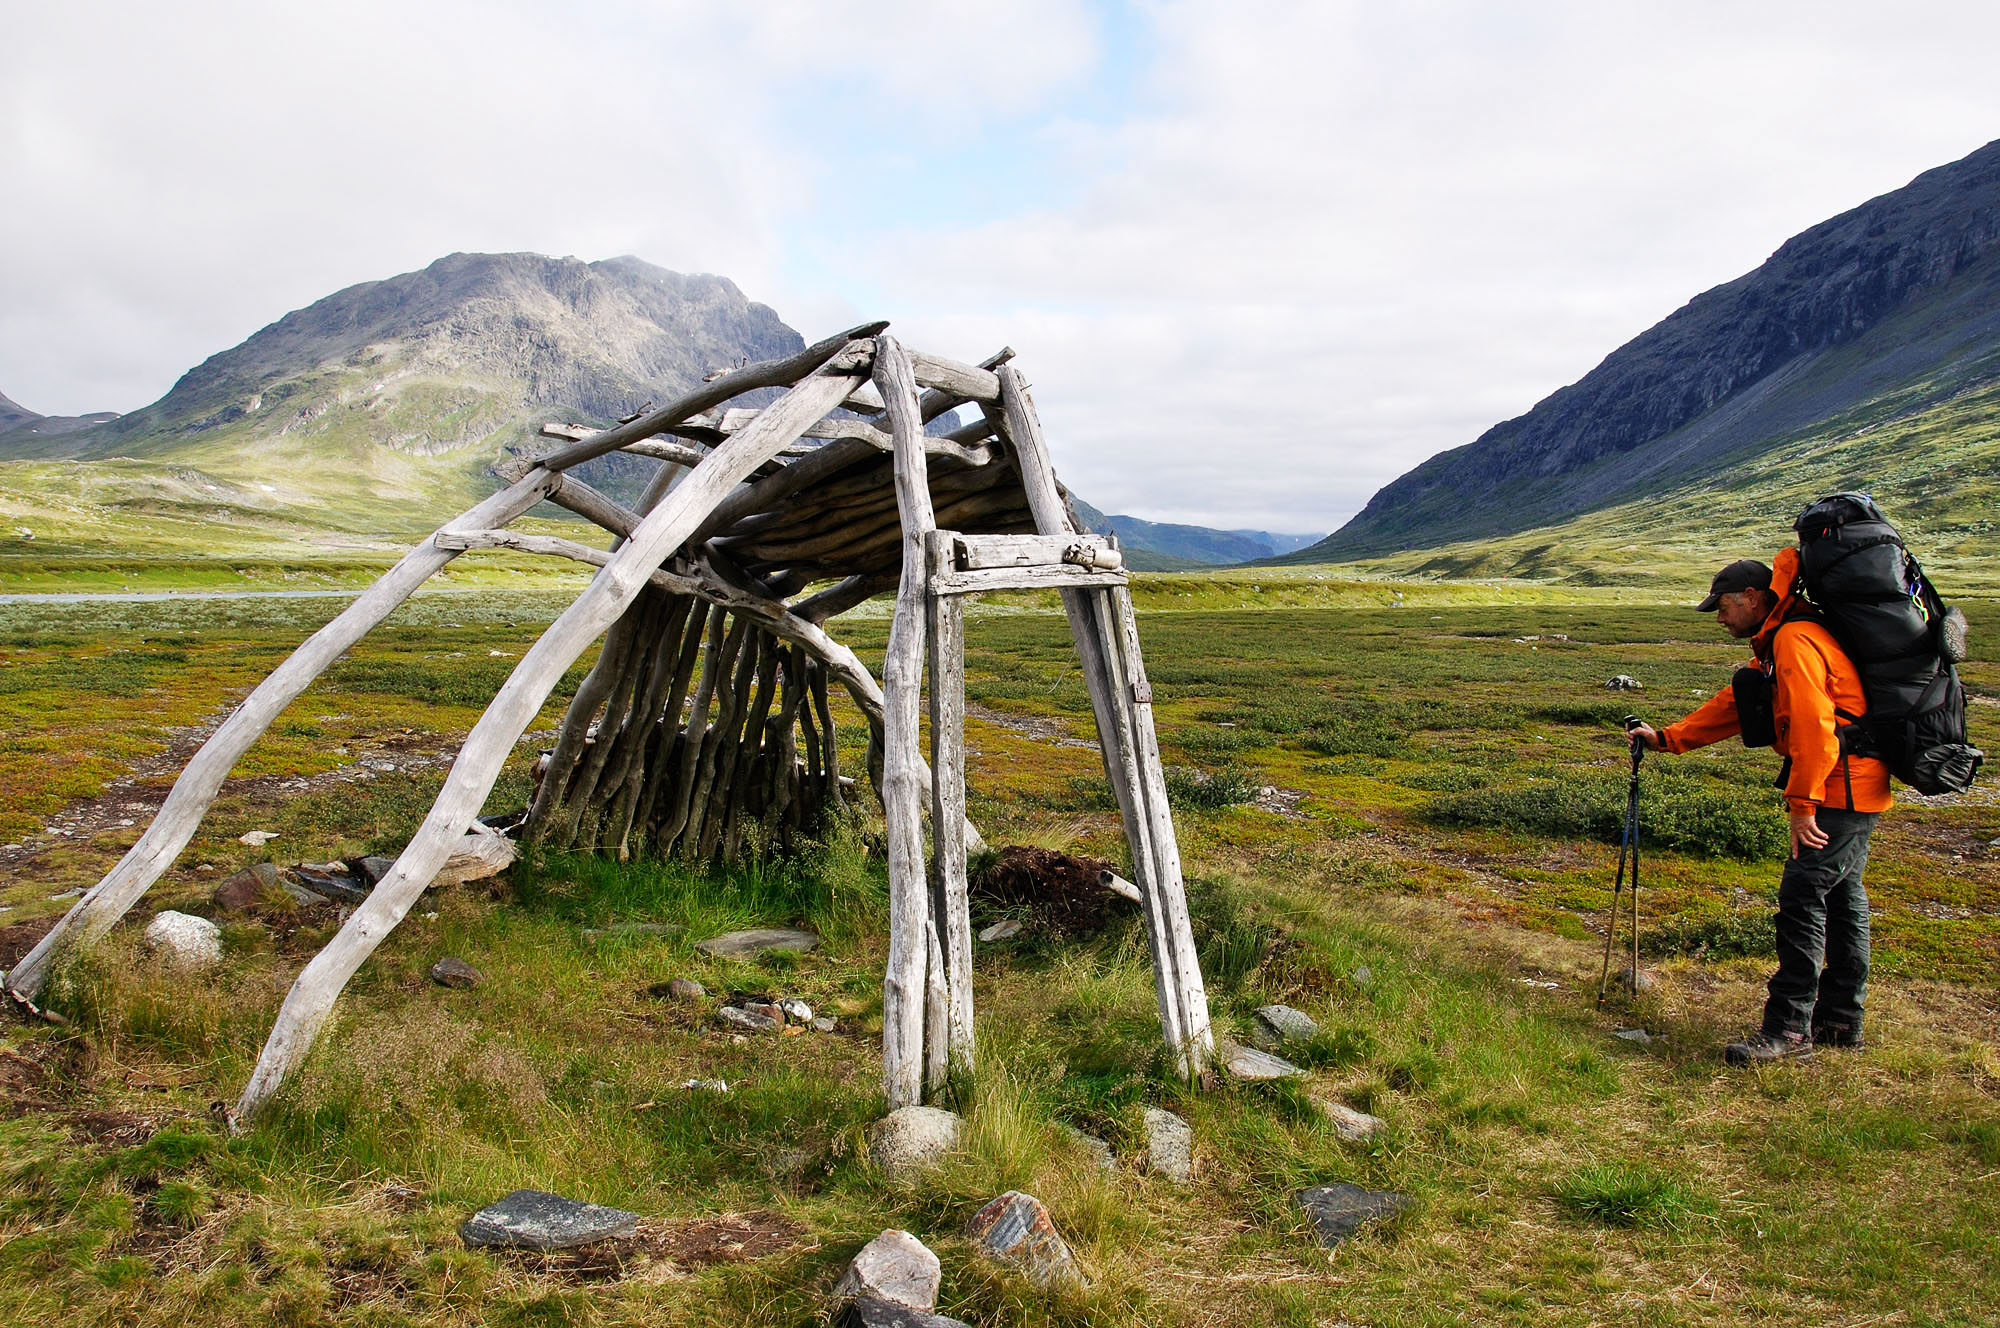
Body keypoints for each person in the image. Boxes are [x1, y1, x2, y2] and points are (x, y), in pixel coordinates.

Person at [1628, 548, 1891, 1065]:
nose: (1719, 616)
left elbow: (1816, 727)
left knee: (1803, 902)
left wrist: (1803, 805)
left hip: (1840, 788)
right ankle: (1840, 1021)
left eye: (1723, 606)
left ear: (1752, 597)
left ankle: (1789, 1031)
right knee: (1841, 900)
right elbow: (1737, 703)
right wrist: (1668, 738)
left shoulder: (1793, 639)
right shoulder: (1778, 639)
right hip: (1851, 785)